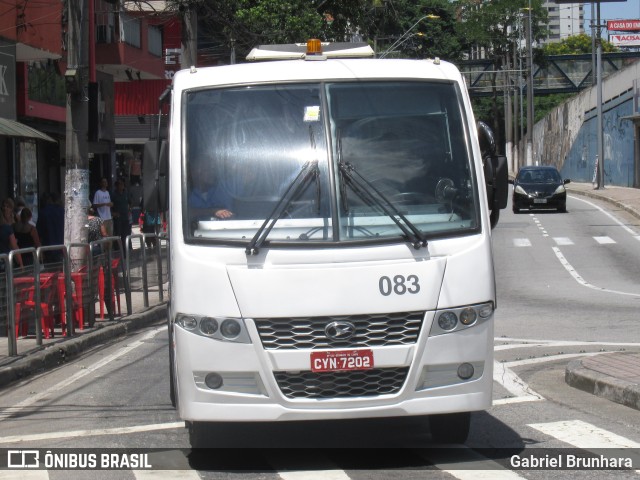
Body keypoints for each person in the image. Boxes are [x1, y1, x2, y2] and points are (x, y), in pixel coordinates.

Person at [36, 192, 65, 262]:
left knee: (49, 270)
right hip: (62, 247)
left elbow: (38, 231)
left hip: (48, 247)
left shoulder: (43, 212)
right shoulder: (63, 211)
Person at [0, 198, 22, 269]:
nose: (5, 208)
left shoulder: (16, 217)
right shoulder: (2, 220)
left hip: (15, 245)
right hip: (6, 246)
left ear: (11, 208)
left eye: (7, 206)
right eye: (4, 206)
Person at [111, 179, 132, 252]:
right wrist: (113, 213)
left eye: (123, 184)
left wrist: (129, 210)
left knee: (126, 235)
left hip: (126, 218)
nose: (122, 186)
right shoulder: (113, 194)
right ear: (117, 186)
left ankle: (127, 251)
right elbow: (110, 205)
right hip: (118, 219)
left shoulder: (126, 193)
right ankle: (118, 251)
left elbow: (130, 202)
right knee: (118, 236)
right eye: (120, 184)